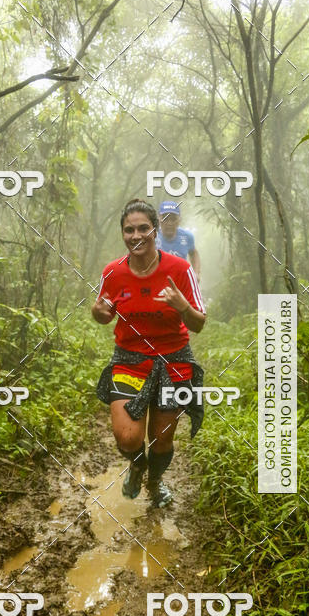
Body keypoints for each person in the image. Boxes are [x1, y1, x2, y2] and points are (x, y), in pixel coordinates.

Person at [92, 198, 206, 508]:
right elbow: (103, 314)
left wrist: (182, 306)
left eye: (143, 228)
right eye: (129, 230)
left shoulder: (180, 269)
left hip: (174, 363)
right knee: (127, 437)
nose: (136, 235)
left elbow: (199, 323)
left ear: (155, 231)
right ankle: (137, 465)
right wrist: (99, 312)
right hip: (129, 361)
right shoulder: (112, 272)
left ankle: (155, 482)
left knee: (162, 439)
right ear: (123, 234)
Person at [156, 200, 201, 279]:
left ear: (179, 220)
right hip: (157, 281)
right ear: (159, 219)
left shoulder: (187, 237)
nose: (169, 223)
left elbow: (193, 253)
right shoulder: (152, 237)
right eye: (165, 218)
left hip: (180, 282)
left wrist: (196, 273)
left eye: (173, 219)